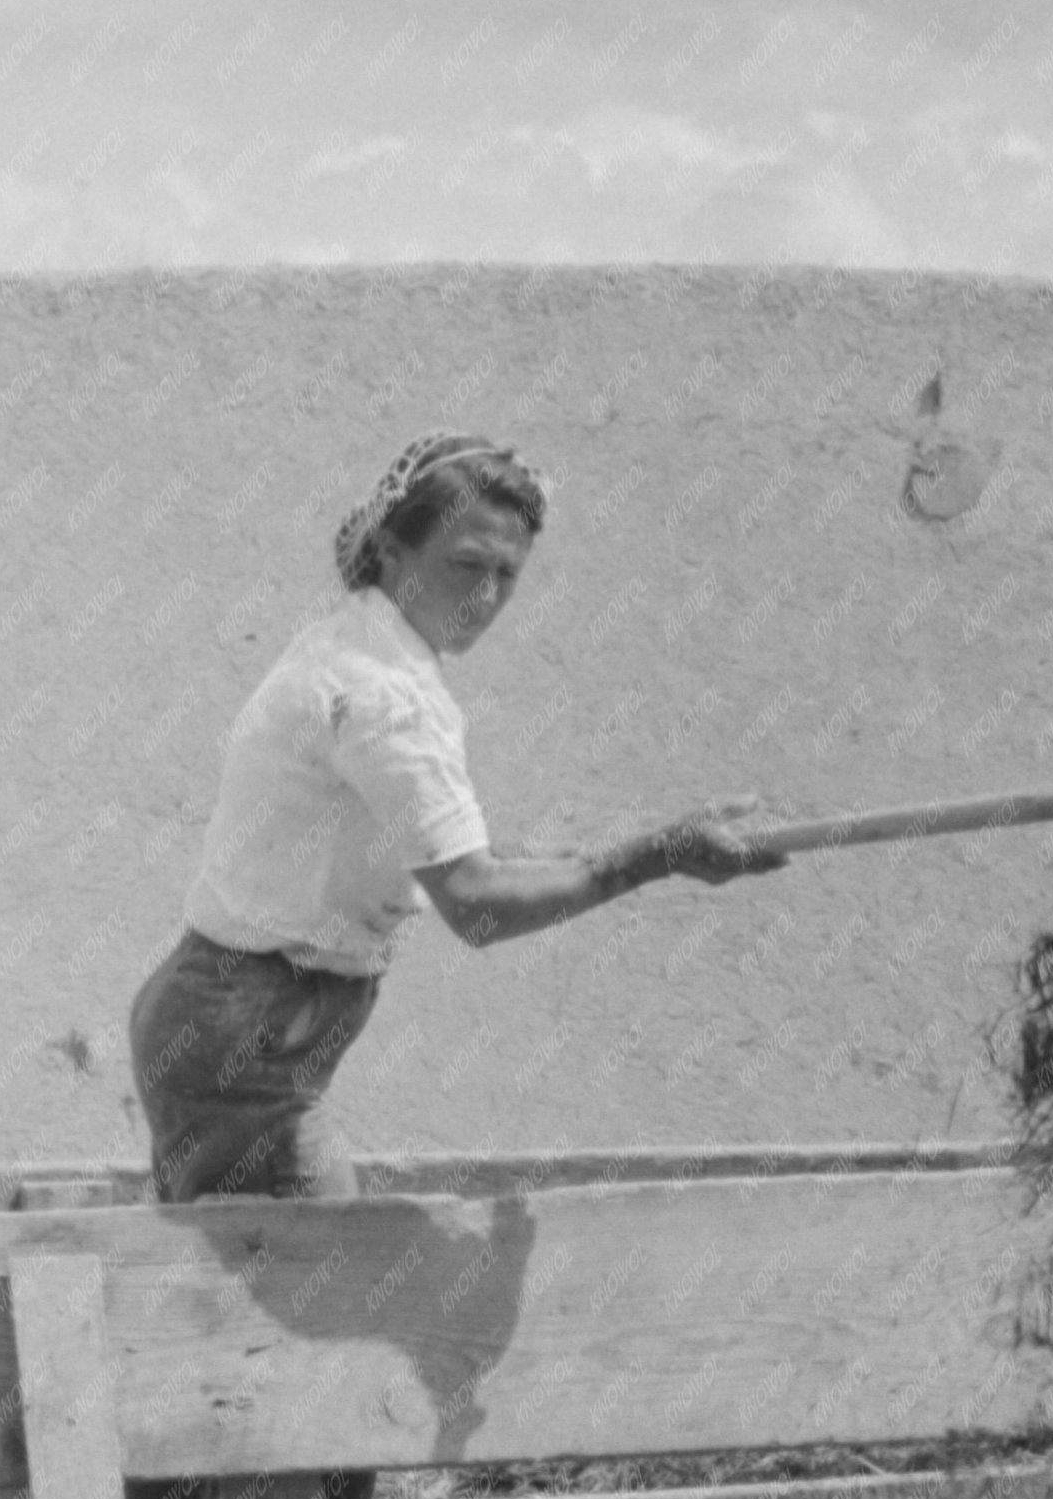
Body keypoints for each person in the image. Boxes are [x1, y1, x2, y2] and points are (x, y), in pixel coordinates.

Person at [128, 429, 787, 1215]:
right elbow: (474, 904)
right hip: (246, 1045)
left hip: (235, 1028)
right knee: (313, 1295)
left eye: (507, 574)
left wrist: (629, 850)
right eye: (465, 565)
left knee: (256, 1299)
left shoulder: (364, 645)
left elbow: (443, 851)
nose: (485, 597)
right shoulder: (386, 696)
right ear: (392, 552)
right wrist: (653, 859)